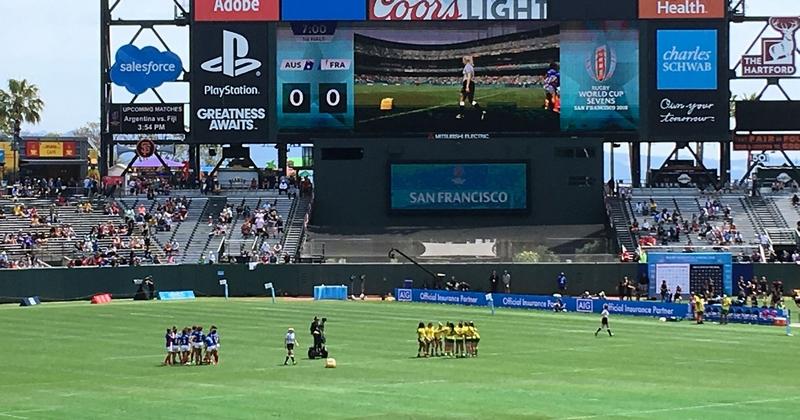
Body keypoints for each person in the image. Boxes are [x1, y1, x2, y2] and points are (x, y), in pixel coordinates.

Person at [456, 55, 486, 121]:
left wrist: (467, 86)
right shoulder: (470, 66)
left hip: (468, 83)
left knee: (462, 98)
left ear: (465, 60)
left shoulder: (467, 66)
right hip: (471, 84)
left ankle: (461, 114)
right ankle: (481, 111)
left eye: (463, 60)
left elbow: (469, 76)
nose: (462, 61)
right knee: (470, 100)